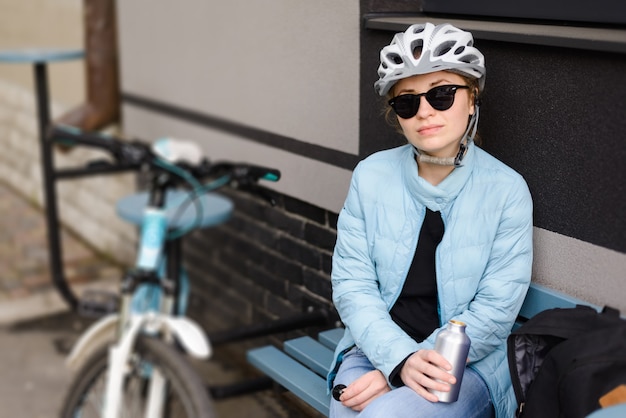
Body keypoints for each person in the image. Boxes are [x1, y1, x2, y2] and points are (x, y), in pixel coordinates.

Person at [328, 22, 533, 418]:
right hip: (377, 347)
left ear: (471, 99)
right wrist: (397, 361)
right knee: (348, 411)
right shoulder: (370, 176)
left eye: (441, 94)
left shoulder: (505, 190)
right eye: (407, 102)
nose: (424, 112)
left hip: (466, 362)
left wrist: (400, 372)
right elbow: (352, 285)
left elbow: (493, 312)